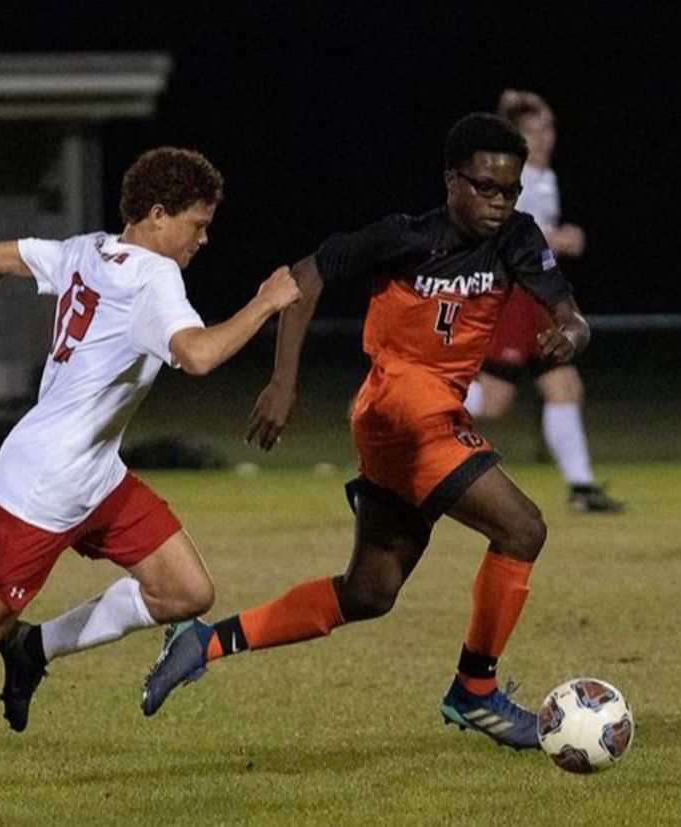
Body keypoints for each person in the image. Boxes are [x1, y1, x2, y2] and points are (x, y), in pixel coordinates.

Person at [0, 146, 301, 794]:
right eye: (198, 223)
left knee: (184, 591)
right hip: (43, 485)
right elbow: (200, 354)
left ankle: (33, 648)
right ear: (158, 214)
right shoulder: (152, 277)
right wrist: (267, 301)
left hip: (93, 471)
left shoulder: (88, 248)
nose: (204, 238)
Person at [141, 114, 591, 753]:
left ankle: (205, 641)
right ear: (450, 181)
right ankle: (476, 691)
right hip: (400, 407)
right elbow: (305, 276)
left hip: (423, 420)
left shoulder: (516, 239)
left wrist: (573, 330)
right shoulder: (404, 237)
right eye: (484, 188)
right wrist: (284, 382)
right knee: (522, 528)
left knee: (369, 591)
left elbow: (565, 308)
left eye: (509, 190)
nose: (498, 203)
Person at [463, 90, 621, 513]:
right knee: (493, 401)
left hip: (539, 300)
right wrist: (561, 239)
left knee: (564, 386)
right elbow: (503, 237)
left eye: (549, 128)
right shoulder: (519, 181)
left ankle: (581, 488)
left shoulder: (543, 176)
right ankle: (403, 405)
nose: (547, 136)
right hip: (514, 298)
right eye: (536, 130)